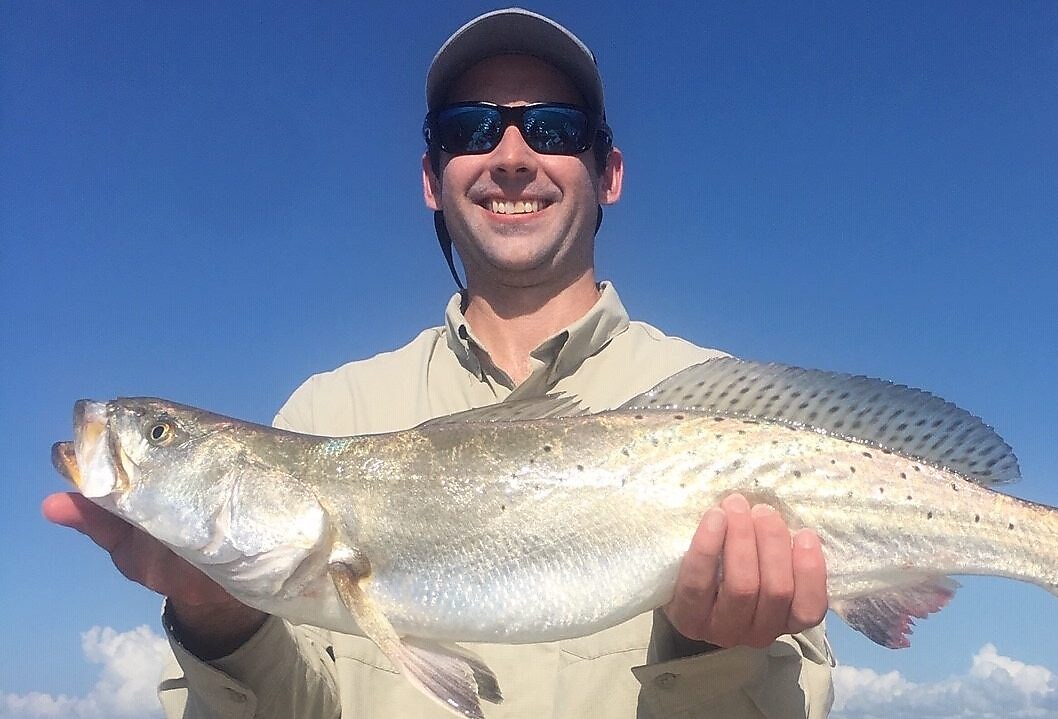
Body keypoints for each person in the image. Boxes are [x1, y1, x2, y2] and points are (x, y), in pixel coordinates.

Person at [42, 8, 835, 718]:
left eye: (553, 128)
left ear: (610, 174)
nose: (513, 155)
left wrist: (709, 652)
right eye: (470, 129)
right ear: (432, 179)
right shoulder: (326, 413)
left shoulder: (734, 418)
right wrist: (221, 619)